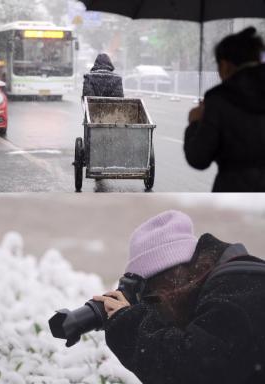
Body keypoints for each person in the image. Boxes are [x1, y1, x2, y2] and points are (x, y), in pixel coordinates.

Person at [93, 210, 265, 384]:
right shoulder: (233, 281)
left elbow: (194, 368)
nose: (157, 311)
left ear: (175, 277)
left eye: (154, 298)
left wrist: (129, 326)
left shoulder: (238, 291)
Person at [184, 27, 265, 192]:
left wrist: (195, 122)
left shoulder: (218, 99)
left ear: (225, 65)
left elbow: (198, 158)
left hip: (234, 196)